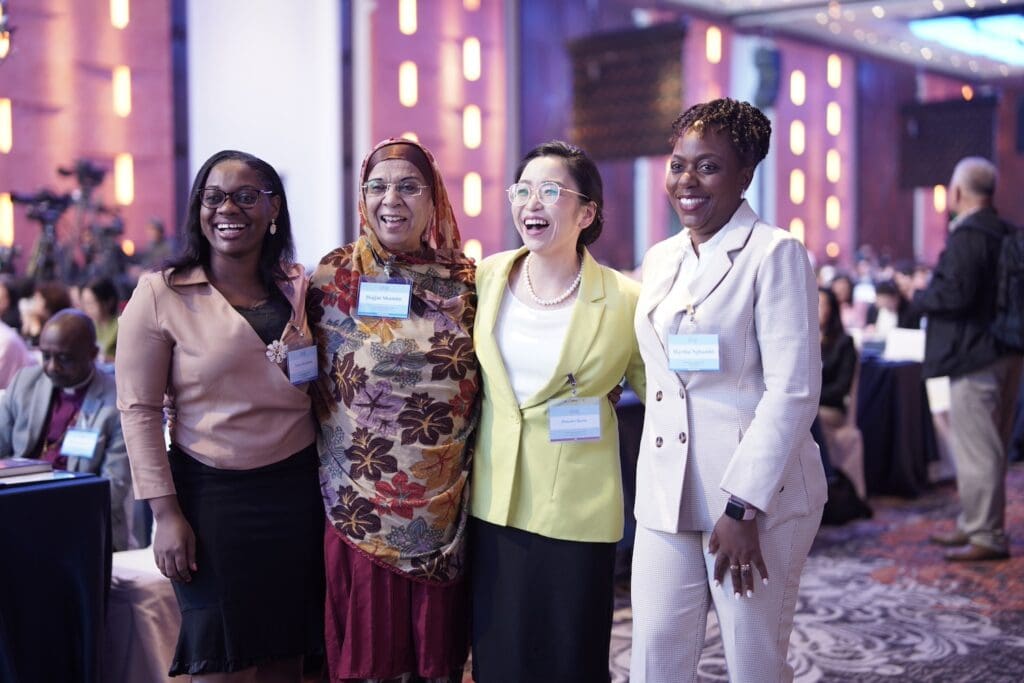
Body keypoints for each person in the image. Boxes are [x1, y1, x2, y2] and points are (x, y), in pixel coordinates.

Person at [630, 98, 826, 683]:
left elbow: (792, 392)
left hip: (752, 499)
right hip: (667, 490)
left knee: (753, 660)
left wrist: (743, 505)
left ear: (745, 175)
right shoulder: (661, 258)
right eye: (677, 164)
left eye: (708, 166)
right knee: (655, 656)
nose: (687, 180)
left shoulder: (776, 253)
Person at [116, 150, 324, 681]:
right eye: (215, 196)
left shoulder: (299, 287)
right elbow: (137, 411)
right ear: (198, 209)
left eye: (247, 195)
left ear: (273, 208)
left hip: (296, 494)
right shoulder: (162, 292)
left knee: (287, 657)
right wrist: (165, 516)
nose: (228, 208)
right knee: (218, 661)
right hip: (210, 500)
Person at [469, 140, 645, 683]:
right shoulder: (484, 279)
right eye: (522, 190)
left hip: (577, 508)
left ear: (586, 212)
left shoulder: (625, 299)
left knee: (571, 659)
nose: (531, 204)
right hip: (494, 502)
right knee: (500, 657)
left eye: (550, 191)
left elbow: (663, 395)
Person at [308, 138, 478, 683]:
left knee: (433, 658)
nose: (392, 200)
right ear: (362, 197)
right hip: (358, 498)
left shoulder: (468, 283)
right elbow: (300, 368)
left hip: (441, 504)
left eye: (408, 186)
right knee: (367, 655)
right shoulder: (332, 280)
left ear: (434, 200)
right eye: (378, 186)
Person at [904, 156, 1024, 562]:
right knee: (991, 446)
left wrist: (918, 295)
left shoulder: (968, 236)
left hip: (973, 357)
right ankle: (976, 522)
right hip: (1007, 351)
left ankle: (986, 534)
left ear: (957, 193)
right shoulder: (1005, 230)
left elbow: (955, 296)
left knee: (979, 449)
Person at [0, 310, 132, 549]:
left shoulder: (118, 402)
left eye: (64, 358)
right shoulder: (25, 382)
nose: (52, 367)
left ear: (92, 354)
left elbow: (112, 489)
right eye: (46, 355)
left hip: (81, 522)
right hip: (14, 506)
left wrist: (48, 511)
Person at [80, 277, 120, 362]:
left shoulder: (121, 326)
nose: (86, 309)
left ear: (108, 302)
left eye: (90, 303)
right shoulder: (90, 326)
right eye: (84, 304)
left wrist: (106, 359)